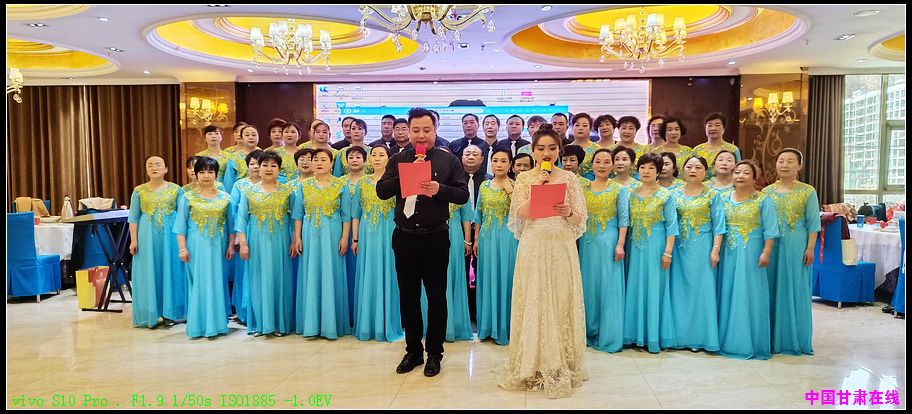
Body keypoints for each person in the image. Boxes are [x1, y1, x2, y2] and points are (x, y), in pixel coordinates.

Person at [376, 108, 470, 377]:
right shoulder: (398, 159)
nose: (421, 135)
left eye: (426, 130)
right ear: (408, 131)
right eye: (415, 130)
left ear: (435, 130)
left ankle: (435, 354)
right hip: (404, 236)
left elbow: (463, 194)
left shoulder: (448, 160)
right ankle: (413, 351)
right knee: (408, 297)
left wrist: (440, 189)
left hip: (435, 238)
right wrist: (405, 177)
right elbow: (381, 191)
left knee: (436, 297)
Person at [498, 125, 588, 399]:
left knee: (560, 299)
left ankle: (559, 362)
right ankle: (531, 364)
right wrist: (539, 188)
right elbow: (519, 214)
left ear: (559, 150)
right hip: (534, 243)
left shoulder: (570, 178)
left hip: (561, 244)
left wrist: (568, 210)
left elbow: (580, 219)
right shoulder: (524, 178)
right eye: (540, 148)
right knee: (534, 297)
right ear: (533, 150)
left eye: (551, 148)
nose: (546, 153)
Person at [718, 160, 779, 360]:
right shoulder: (723, 198)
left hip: (752, 252)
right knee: (727, 292)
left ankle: (751, 342)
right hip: (728, 252)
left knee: (749, 294)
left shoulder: (763, 200)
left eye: (746, 172)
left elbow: (770, 230)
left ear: (754, 177)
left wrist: (766, 252)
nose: (740, 176)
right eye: (737, 172)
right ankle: (725, 340)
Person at [763, 148, 820, 356]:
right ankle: (771, 339)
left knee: (796, 288)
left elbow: (813, 223)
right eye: (781, 161)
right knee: (771, 288)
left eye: (790, 161)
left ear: (799, 166)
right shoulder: (766, 192)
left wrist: (810, 248)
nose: (784, 165)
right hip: (771, 246)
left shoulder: (808, 191)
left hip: (797, 246)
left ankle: (794, 339)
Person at [291, 148, 352, 339]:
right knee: (311, 274)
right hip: (310, 235)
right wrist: (297, 237)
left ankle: (331, 325)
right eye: (315, 159)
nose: (318, 162)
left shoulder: (340, 185)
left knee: (331, 274)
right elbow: (298, 214)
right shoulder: (304, 185)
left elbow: (346, 216)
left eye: (323, 159)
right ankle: (311, 324)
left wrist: (345, 238)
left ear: (331, 163)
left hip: (333, 234)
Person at [235, 151, 296, 337]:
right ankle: (261, 324)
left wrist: (295, 240)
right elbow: (241, 219)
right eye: (265, 165)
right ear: (259, 168)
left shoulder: (287, 191)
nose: (269, 169)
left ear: (279, 169)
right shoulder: (249, 192)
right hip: (257, 243)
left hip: (281, 242)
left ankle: (280, 324)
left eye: (273, 165)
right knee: (258, 280)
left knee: (281, 280)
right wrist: (243, 244)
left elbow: (295, 219)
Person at [174, 156, 236, 338]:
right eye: (201, 172)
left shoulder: (226, 198)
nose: (206, 175)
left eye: (210, 172)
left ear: (216, 175)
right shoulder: (187, 197)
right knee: (199, 283)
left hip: (219, 247)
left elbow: (231, 225)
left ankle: (217, 325)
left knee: (217, 283)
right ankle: (199, 326)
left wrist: (231, 245)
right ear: (196, 174)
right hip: (196, 247)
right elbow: (180, 226)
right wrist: (182, 249)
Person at [623, 152, 678, 353]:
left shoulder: (665, 195)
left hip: (657, 245)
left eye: (651, 168)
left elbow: (672, 226)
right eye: (643, 167)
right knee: (635, 286)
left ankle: (653, 336)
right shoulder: (631, 194)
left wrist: (668, 252)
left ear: (658, 172)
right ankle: (634, 334)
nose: (646, 171)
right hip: (634, 246)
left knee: (655, 288)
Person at [669, 156, 725, 352]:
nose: (693, 170)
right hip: (678, 248)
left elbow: (719, 225)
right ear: (683, 170)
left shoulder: (713, 195)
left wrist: (715, 250)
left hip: (702, 247)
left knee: (702, 289)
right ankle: (678, 337)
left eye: (698, 167)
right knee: (678, 290)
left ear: (706, 171)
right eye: (689, 166)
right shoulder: (673, 194)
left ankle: (701, 337)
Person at [351, 146, 404, 342]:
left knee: (390, 273)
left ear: (389, 159)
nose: (377, 158)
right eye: (373, 155)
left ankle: (389, 324)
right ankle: (367, 325)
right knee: (369, 273)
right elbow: (356, 213)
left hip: (390, 230)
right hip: (367, 233)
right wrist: (355, 238)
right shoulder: (362, 183)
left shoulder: (395, 182)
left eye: (382, 155)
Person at [579, 148, 629, 352]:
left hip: (609, 242)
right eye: (598, 161)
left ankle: (608, 334)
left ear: (612, 165)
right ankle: (587, 331)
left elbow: (624, 219)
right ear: (592, 165)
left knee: (608, 286)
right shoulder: (583, 188)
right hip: (586, 243)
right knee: (587, 286)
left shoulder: (618, 189)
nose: (601, 165)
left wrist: (620, 244)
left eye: (606, 162)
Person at [128, 156, 185, 328]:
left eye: (158, 164)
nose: (154, 167)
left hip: (171, 238)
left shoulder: (176, 190)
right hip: (146, 238)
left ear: (166, 169)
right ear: (146, 169)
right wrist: (133, 240)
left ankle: (170, 313)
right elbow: (133, 218)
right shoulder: (139, 191)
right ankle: (150, 313)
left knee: (171, 271)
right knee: (149, 272)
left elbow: (183, 217)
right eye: (150, 165)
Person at [473, 149, 518, 345]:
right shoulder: (484, 185)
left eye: (503, 161)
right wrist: (476, 239)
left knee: (506, 278)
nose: (499, 164)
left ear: (510, 165)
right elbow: (478, 214)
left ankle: (505, 327)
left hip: (508, 238)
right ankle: (487, 327)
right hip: (486, 237)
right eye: (495, 160)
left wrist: (510, 190)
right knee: (488, 278)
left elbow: (521, 212)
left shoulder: (516, 186)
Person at [228, 149, 265, 325]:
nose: (255, 167)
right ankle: (245, 311)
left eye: (259, 163)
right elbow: (234, 210)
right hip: (245, 232)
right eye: (252, 163)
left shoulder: (277, 184)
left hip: (265, 230)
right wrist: (237, 235)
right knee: (244, 272)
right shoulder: (240, 185)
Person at [692, 112, 742, 179]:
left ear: (723, 128)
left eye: (717, 125)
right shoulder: (697, 150)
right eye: (709, 125)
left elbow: (738, 171)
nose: (713, 128)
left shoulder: (733, 149)